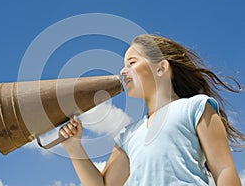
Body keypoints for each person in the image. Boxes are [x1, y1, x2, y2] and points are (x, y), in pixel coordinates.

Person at [59, 34, 245, 186]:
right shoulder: (128, 134)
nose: (123, 71)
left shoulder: (194, 107)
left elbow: (224, 170)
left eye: (132, 63)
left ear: (161, 68)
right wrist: (75, 147)